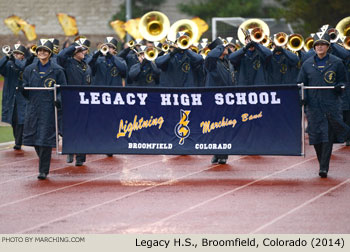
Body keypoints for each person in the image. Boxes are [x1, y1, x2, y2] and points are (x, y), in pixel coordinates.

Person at [297, 32, 350, 178]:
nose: (320, 47)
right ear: (314, 47)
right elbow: (300, 83)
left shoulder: (337, 62)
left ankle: (323, 167)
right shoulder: (307, 64)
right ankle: (322, 162)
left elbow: (343, 81)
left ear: (328, 46)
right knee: (315, 136)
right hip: (313, 106)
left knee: (327, 135)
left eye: (322, 44)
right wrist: (303, 97)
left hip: (331, 104)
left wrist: (339, 86)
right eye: (317, 45)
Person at [20, 39, 67, 180]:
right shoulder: (29, 69)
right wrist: (23, 89)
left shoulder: (58, 70)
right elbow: (25, 86)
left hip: (48, 108)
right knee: (34, 138)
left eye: (45, 51)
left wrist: (58, 99)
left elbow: (63, 89)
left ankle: (43, 170)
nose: (42, 53)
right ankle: (44, 159)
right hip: (33, 107)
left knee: (45, 139)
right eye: (40, 50)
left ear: (50, 53)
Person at [57, 41, 92, 166]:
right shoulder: (68, 63)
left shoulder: (86, 66)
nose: (84, 52)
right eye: (81, 50)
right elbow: (60, 57)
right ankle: (70, 150)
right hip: (71, 100)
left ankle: (80, 157)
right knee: (68, 128)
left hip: (84, 101)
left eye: (84, 50)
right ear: (74, 53)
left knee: (82, 129)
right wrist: (73, 47)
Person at [204, 38, 236, 164]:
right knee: (215, 127)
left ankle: (223, 154)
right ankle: (217, 153)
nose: (226, 49)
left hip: (226, 99)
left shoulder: (227, 61)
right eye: (224, 48)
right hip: (214, 99)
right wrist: (219, 46)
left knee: (225, 126)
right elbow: (210, 56)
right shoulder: (211, 63)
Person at [0, 44, 29, 150]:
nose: (16, 55)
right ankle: (18, 140)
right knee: (12, 120)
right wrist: (7, 57)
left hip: (21, 97)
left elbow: (21, 66)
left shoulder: (25, 63)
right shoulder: (8, 64)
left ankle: (18, 141)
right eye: (15, 53)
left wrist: (12, 58)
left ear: (23, 56)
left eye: (18, 54)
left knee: (20, 119)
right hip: (10, 97)